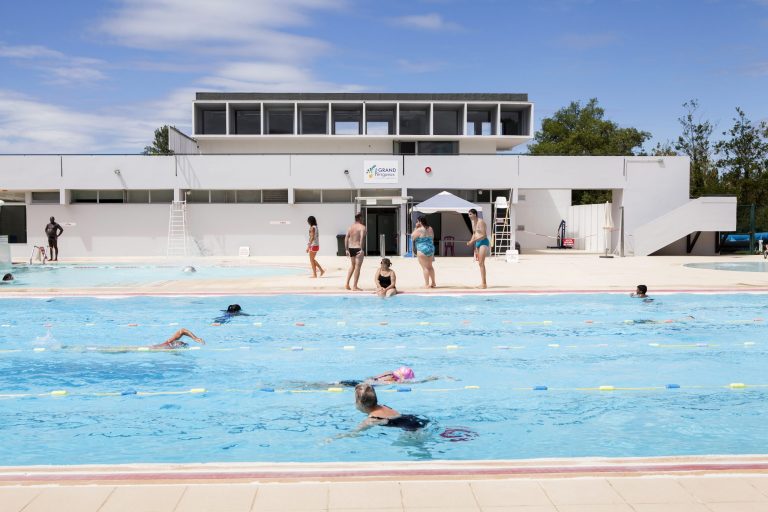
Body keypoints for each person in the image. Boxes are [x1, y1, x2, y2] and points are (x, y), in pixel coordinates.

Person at [351, 382, 429, 432]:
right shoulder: (383, 406)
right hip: (417, 419)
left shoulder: (372, 419)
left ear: (359, 403)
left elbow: (354, 433)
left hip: (413, 430)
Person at [466, 208, 489, 289]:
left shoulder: (480, 222)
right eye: (468, 214)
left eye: (470, 214)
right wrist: (471, 241)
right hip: (477, 243)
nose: (469, 216)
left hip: (483, 242)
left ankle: (484, 284)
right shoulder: (473, 222)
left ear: (475, 214)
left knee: (481, 263)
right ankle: (483, 283)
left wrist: (473, 241)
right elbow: (474, 233)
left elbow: (484, 235)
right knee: (480, 263)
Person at [411, 216, 436, 288]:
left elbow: (412, 237)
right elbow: (432, 237)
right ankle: (433, 283)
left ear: (420, 222)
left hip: (422, 249)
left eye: (417, 221)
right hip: (431, 249)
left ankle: (427, 284)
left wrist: (416, 228)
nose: (416, 223)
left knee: (425, 268)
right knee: (430, 267)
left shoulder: (419, 230)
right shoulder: (430, 228)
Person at [344, 213, 366, 291]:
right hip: (357, 248)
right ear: (360, 218)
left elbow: (346, 237)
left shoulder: (350, 227)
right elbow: (362, 238)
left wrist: (346, 249)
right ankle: (355, 286)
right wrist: (361, 249)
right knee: (357, 267)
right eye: (362, 217)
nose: (363, 219)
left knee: (352, 266)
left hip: (351, 248)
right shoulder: (362, 227)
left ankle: (347, 284)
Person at [338, 366, 417, 387]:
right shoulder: (392, 381)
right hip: (366, 385)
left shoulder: (389, 373)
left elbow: (373, 378)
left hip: (363, 382)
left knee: (339, 383)